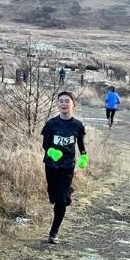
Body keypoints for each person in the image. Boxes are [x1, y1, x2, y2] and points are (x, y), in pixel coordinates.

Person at [41, 90, 87, 244]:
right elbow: (45, 144)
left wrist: (84, 156)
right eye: (61, 101)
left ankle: (53, 233)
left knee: (60, 201)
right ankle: (65, 193)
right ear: (58, 104)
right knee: (53, 195)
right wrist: (51, 151)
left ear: (73, 104)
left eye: (67, 101)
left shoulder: (77, 125)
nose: (64, 104)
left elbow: (80, 144)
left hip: (67, 167)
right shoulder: (51, 124)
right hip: (51, 165)